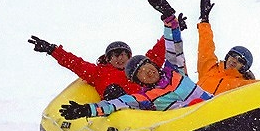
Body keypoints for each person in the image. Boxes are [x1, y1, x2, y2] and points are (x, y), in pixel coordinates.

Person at [59, 0, 212, 120]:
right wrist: (87, 110)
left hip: (213, 109)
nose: (148, 71)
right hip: (190, 123)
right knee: (114, 92)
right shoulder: (145, 97)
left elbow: (173, 45)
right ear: (139, 81)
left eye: (148, 66)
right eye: (141, 72)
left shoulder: (174, 71)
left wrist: (169, 18)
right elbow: (116, 104)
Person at [28, 32, 167, 100]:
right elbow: (75, 63)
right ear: (108, 59)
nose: (119, 59)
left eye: (123, 55)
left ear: (129, 56)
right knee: (113, 90)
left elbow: (158, 53)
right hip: (121, 110)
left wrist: (172, 29)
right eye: (114, 56)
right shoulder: (99, 73)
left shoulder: (139, 66)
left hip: (146, 104)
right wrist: (52, 50)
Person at [195, 0, 258, 95]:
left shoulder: (242, 84)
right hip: (188, 108)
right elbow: (206, 45)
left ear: (244, 68)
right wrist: (204, 21)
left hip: (212, 110)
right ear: (228, 56)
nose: (234, 60)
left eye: (240, 60)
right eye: (233, 56)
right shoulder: (209, 68)